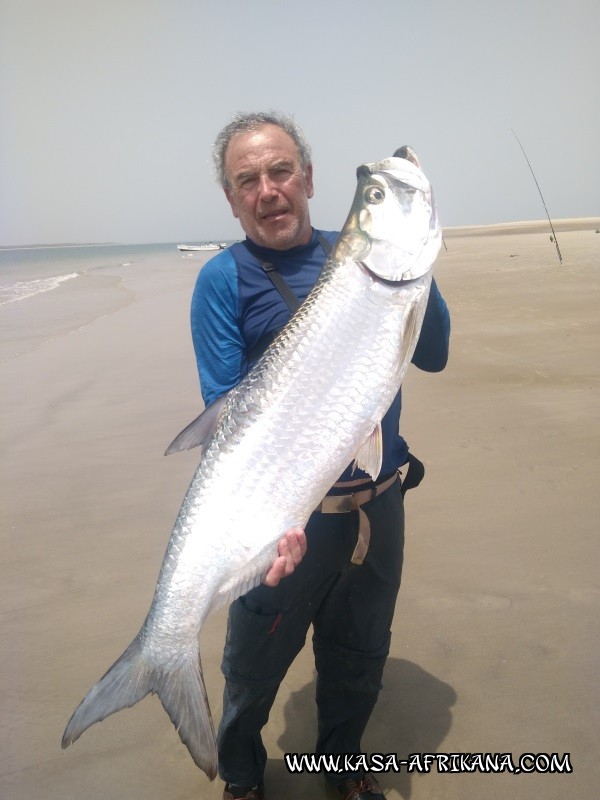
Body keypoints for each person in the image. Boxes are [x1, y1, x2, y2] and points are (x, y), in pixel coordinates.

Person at [190, 112, 450, 800]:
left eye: (280, 171)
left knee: (358, 656)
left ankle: (342, 768)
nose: (268, 189)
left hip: (380, 504)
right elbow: (229, 421)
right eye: (248, 180)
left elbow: (435, 352)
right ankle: (243, 779)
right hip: (287, 517)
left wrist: (417, 266)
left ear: (307, 178)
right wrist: (267, 524)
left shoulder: (361, 256)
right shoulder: (223, 281)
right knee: (251, 667)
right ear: (232, 197)